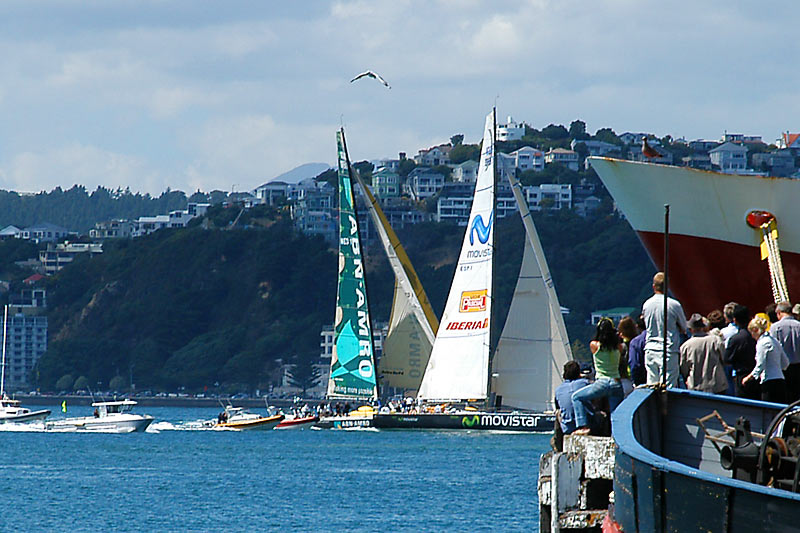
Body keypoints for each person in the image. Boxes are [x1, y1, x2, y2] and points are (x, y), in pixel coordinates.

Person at [572, 318, 625, 435]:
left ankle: (583, 426)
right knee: (615, 413)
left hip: (602, 382)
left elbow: (598, 341)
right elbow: (619, 345)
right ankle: (616, 435)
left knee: (576, 397)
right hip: (616, 382)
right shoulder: (619, 347)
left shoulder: (594, 345)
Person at [642, 272, 687, 387]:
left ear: (653, 286)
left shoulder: (647, 304)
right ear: (667, 286)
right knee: (668, 387)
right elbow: (684, 327)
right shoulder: (674, 305)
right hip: (668, 350)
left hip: (650, 349)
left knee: (652, 386)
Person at [742, 315, 789, 403]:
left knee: (768, 412)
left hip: (768, 381)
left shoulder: (762, 343)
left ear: (755, 330)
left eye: (751, 333)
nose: (752, 336)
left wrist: (748, 378)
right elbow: (785, 362)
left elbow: (760, 365)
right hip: (780, 380)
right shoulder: (774, 341)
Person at [679, 313, 728, 393]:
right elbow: (725, 359)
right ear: (703, 327)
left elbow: (684, 369)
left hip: (696, 386)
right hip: (717, 386)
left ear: (691, 329)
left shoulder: (685, 346)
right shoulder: (716, 340)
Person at [766, 301, 800, 403]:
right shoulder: (799, 325)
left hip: (783, 367)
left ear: (779, 312)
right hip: (798, 365)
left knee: (785, 397)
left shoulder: (775, 327)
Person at [725, 305, 759, 400]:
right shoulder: (757, 335)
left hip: (742, 375)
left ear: (735, 320)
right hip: (758, 375)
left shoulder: (735, 339)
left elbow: (727, 359)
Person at [554, 361, 591, 435]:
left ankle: (558, 443)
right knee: (602, 415)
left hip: (567, 428)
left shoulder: (558, 390)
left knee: (558, 413)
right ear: (578, 373)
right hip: (585, 425)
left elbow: (558, 406)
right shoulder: (585, 383)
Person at [628, 316, 647, 386]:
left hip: (641, 380)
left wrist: (635, 380)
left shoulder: (635, 342)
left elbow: (634, 363)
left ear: (637, 326)